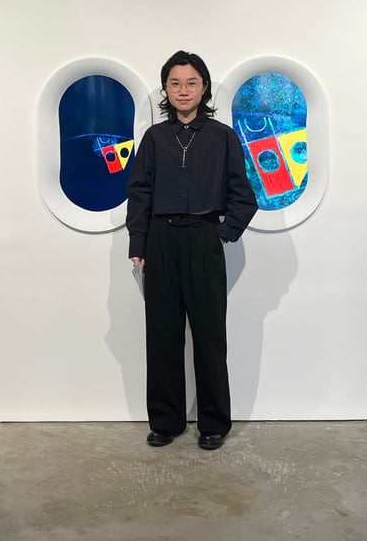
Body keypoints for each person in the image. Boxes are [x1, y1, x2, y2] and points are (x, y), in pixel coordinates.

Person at [126, 50, 258, 450]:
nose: (183, 90)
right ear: (166, 89)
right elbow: (139, 193)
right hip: (161, 241)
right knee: (162, 335)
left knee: (209, 336)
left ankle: (214, 423)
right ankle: (166, 422)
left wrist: (221, 234)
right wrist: (138, 242)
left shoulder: (222, 137)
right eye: (175, 83)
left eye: (192, 83)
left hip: (204, 238)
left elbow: (243, 196)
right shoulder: (154, 139)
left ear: (204, 88)